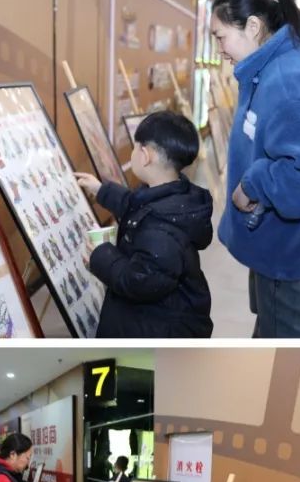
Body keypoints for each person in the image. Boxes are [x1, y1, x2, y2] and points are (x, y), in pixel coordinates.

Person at [210, 0, 300, 338]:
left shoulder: (286, 79)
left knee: (283, 343)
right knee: (270, 330)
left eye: (220, 36)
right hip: (275, 238)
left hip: (284, 247)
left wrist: (253, 184)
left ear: (253, 27)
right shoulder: (269, 68)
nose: (218, 48)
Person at [76, 111, 212, 338]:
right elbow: (134, 205)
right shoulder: (172, 195)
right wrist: (101, 190)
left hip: (158, 328)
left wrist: (102, 256)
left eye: (135, 147)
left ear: (146, 155)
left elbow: (139, 281)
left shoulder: (162, 233)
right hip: (166, 311)